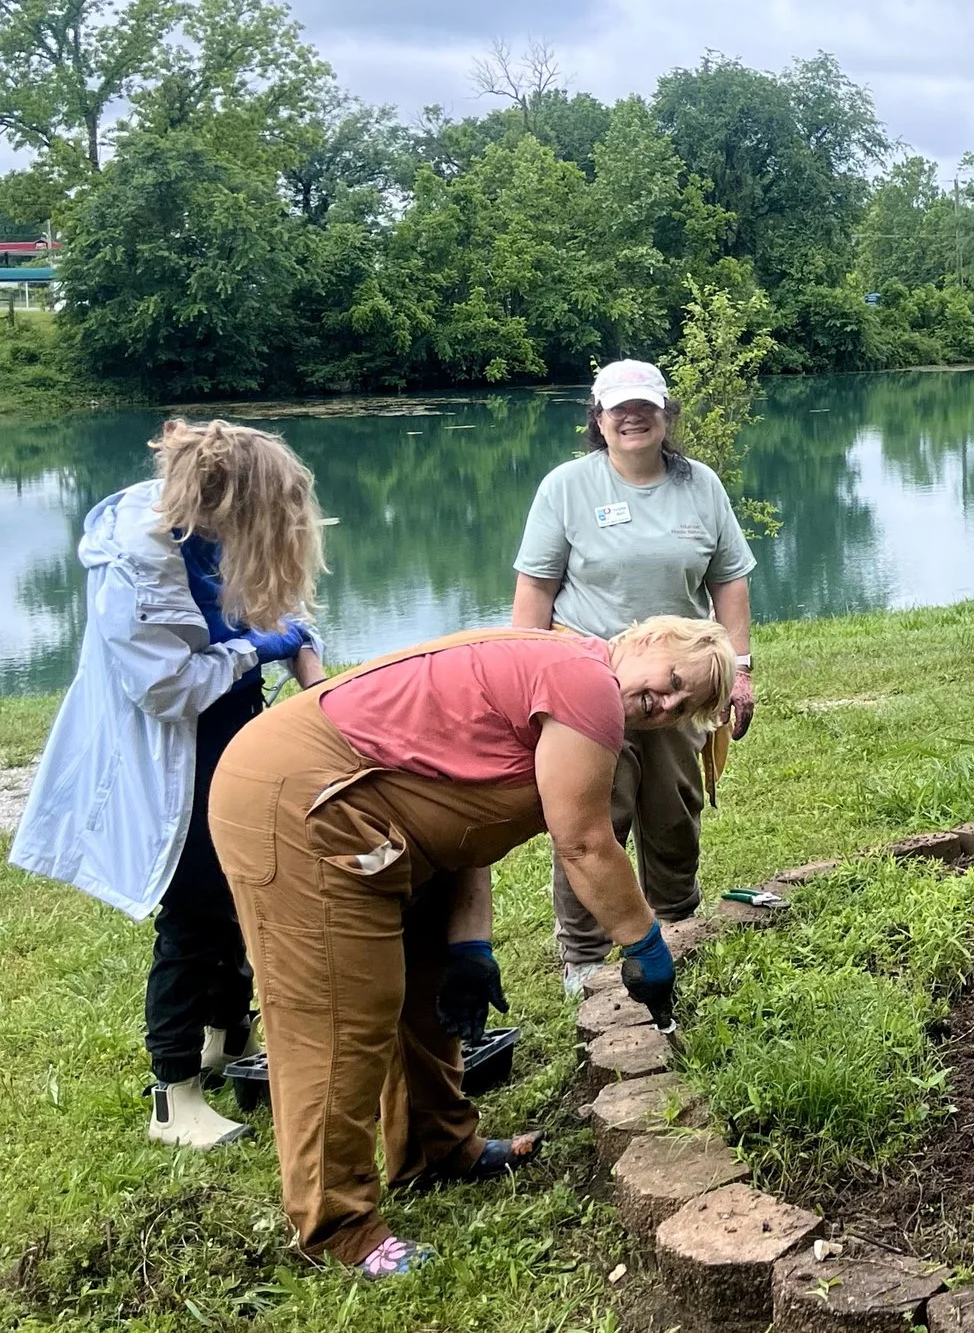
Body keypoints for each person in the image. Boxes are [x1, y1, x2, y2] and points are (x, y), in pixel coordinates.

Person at [205, 618, 731, 1277]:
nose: (668, 702)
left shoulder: (576, 676)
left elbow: (461, 794)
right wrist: (646, 942)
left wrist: (469, 945)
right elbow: (586, 843)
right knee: (343, 1014)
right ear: (648, 640)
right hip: (303, 799)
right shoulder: (586, 682)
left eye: (684, 707)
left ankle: (436, 1147)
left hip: (376, 812)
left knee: (428, 984)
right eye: (675, 680)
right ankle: (336, 1228)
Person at [10, 418, 325, 1150]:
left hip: (230, 735)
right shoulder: (136, 563)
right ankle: (173, 1093)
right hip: (170, 751)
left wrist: (300, 661)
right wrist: (255, 649)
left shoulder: (220, 535)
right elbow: (167, 688)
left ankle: (225, 1034)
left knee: (233, 888)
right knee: (189, 909)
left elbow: (283, 609)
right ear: (226, 500)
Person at [512, 358, 757, 997]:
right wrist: (527, 678)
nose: (632, 417)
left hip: (680, 678)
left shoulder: (700, 485)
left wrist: (741, 670)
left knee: (675, 808)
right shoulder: (567, 487)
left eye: (644, 406)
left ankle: (676, 925)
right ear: (598, 419)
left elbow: (729, 578)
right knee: (593, 816)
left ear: (666, 414)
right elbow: (535, 589)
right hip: (586, 680)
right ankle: (585, 958)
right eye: (617, 408)